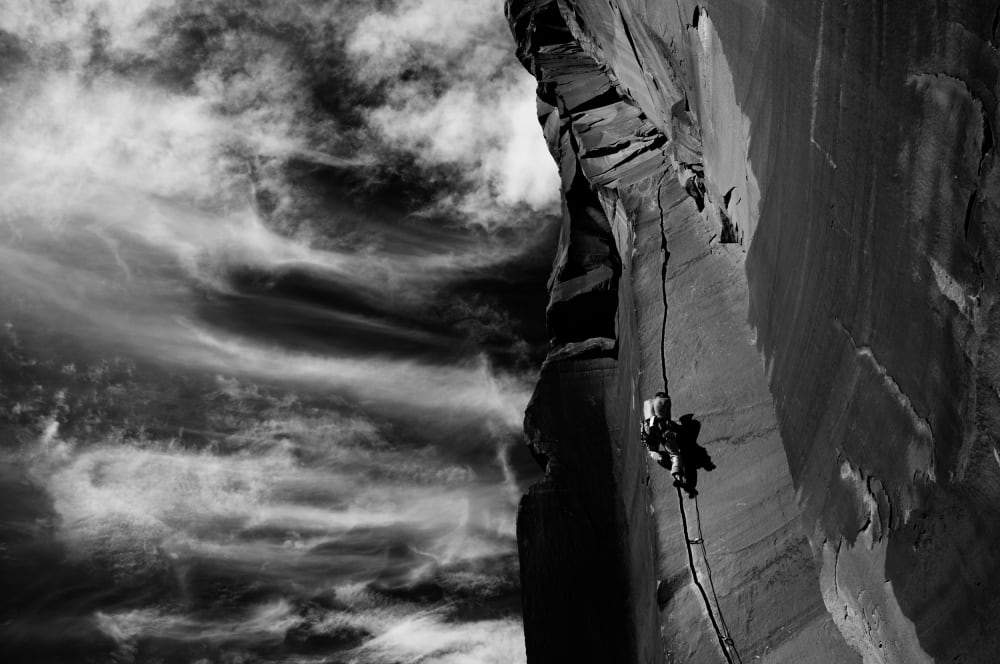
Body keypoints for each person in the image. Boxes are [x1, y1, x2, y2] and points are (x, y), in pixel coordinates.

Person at [641, 392, 714, 497]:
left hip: (647, 431)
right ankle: (679, 476)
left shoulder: (647, 403)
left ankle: (664, 460)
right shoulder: (665, 402)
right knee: (675, 455)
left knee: (653, 451)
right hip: (661, 431)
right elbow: (667, 419)